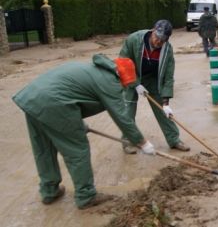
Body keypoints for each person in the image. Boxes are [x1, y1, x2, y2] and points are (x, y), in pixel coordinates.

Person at [12, 55, 155, 210]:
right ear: (121, 75)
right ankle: (86, 196)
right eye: (124, 83)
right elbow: (122, 118)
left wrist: (78, 123)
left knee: (43, 148)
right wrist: (142, 142)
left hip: (32, 99)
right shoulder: (110, 82)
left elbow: (72, 93)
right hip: (54, 104)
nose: (123, 86)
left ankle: (49, 191)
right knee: (77, 150)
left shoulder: (94, 69)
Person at [120, 19, 190, 153]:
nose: (158, 42)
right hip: (132, 75)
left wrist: (166, 102)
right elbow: (122, 63)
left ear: (167, 40)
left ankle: (174, 140)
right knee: (128, 110)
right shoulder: (134, 39)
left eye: (162, 40)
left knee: (163, 111)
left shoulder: (167, 50)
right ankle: (127, 142)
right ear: (153, 30)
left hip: (152, 79)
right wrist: (135, 84)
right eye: (157, 37)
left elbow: (168, 77)